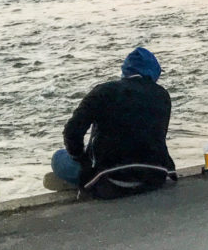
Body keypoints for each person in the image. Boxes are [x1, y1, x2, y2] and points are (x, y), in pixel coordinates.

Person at [46, 46, 175, 195]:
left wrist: (81, 159)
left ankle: (79, 180)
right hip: (155, 175)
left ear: (125, 71)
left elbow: (72, 131)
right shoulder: (162, 95)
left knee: (58, 158)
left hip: (110, 178)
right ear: (154, 72)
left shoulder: (103, 91)